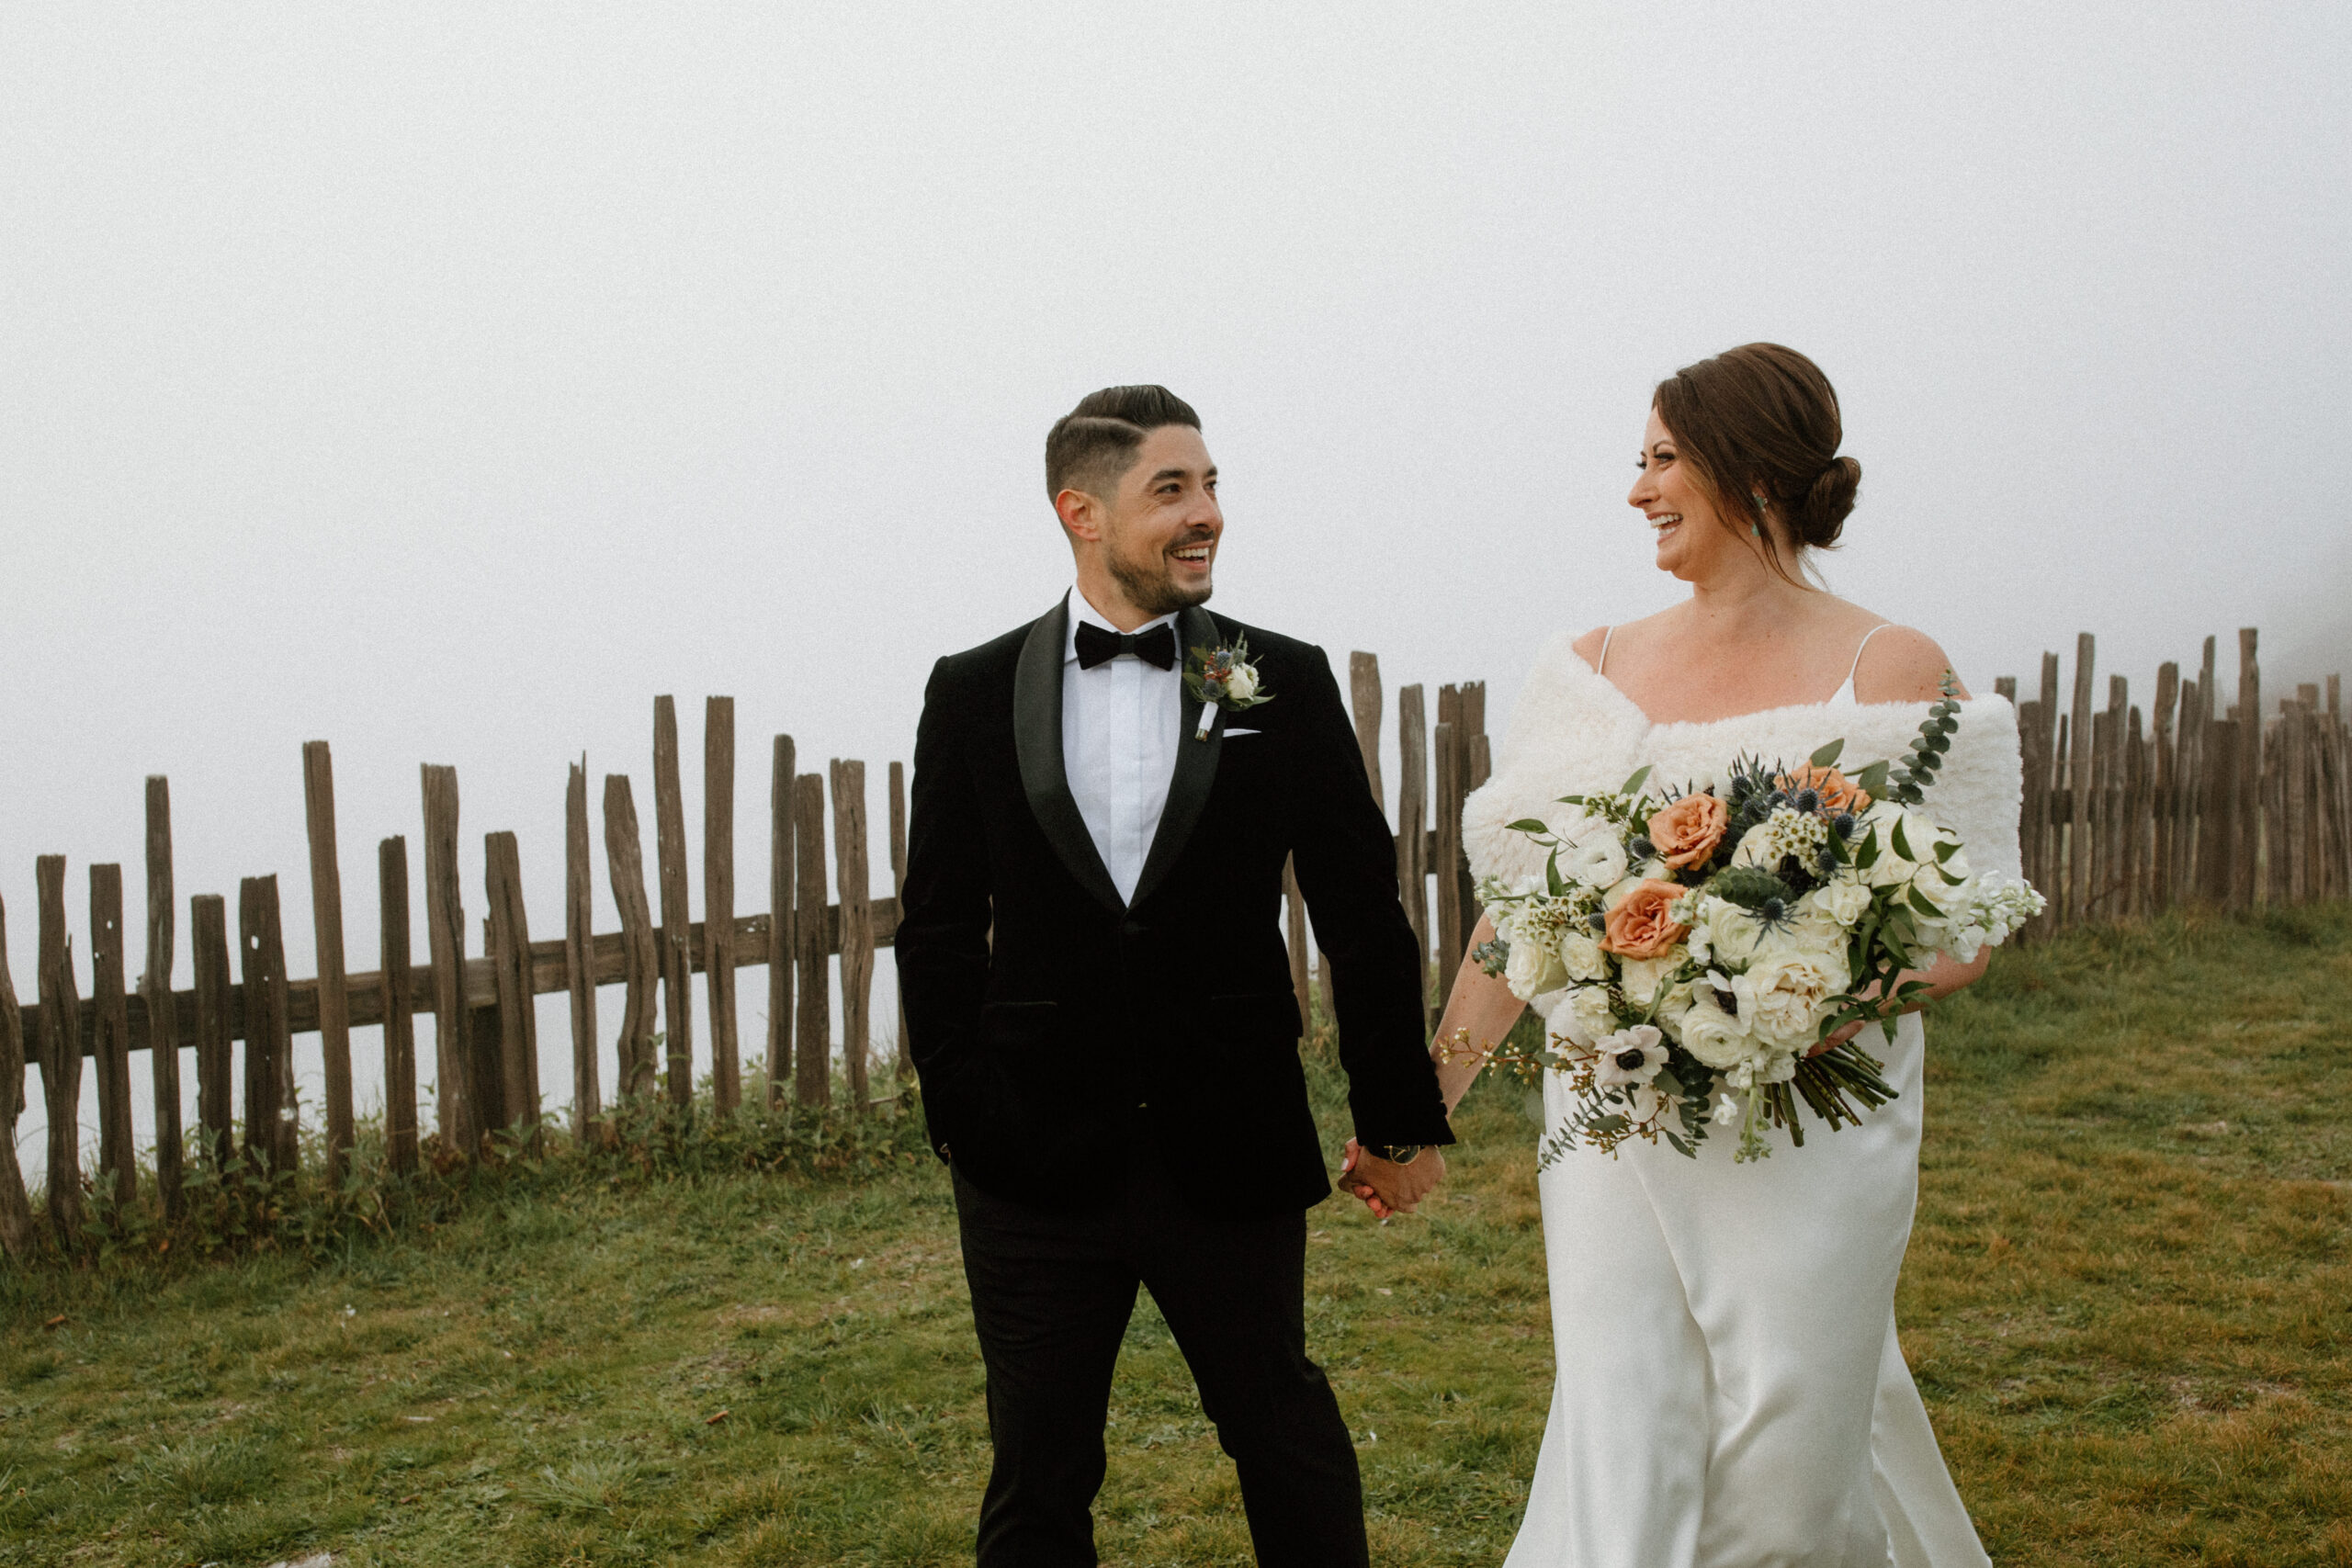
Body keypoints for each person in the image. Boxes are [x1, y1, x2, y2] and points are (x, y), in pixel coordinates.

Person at [1436, 344, 2017, 1566]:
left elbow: (1972, 919)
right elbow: (1516, 912)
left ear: (1748, 468)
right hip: (1613, 1113)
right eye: (1636, 462)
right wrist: (1424, 1098)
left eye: (1660, 460)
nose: (1637, 490)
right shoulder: (1586, 672)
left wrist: (1818, 997)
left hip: (1814, 1120)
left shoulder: (1893, 670)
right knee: (1624, 1421)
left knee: (1793, 1431)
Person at [895, 384, 1453, 1568]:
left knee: (1283, 1433)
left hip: (1229, 1135)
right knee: (1038, 1471)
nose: (1206, 515)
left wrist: (1398, 1120)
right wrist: (962, 1111)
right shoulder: (971, 689)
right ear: (1080, 513)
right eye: (1172, 490)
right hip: (1032, 1159)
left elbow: (1361, 911)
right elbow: (938, 927)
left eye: (1211, 488)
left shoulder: (1281, 681)